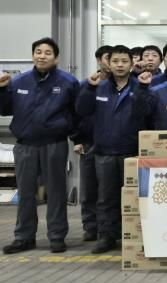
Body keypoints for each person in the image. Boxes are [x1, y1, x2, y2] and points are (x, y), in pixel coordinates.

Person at [0, 38, 80, 254]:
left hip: (54, 144)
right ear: (33, 55)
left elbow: (77, 113)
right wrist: (2, 90)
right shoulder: (19, 81)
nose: (42, 56)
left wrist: (75, 136)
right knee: (26, 193)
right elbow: (4, 110)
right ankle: (24, 237)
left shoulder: (68, 82)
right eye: (38, 52)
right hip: (25, 145)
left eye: (47, 52)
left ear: (56, 57)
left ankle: (56, 236)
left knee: (56, 192)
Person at [76, 45, 143, 253]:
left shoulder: (139, 86)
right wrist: (89, 88)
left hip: (132, 153)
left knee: (135, 197)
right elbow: (81, 111)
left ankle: (133, 235)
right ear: (108, 63)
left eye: (124, 61)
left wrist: (143, 89)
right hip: (104, 152)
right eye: (115, 61)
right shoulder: (98, 86)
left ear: (131, 64)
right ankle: (106, 236)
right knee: (105, 198)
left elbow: (148, 113)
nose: (120, 65)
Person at [71, 45, 114, 243]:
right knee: (89, 189)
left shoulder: (121, 85)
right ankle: (90, 227)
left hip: (111, 144)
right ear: (99, 60)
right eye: (108, 58)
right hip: (89, 143)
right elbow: (76, 114)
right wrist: (77, 139)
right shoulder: (86, 84)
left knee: (109, 190)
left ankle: (110, 228)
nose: (112, 63)